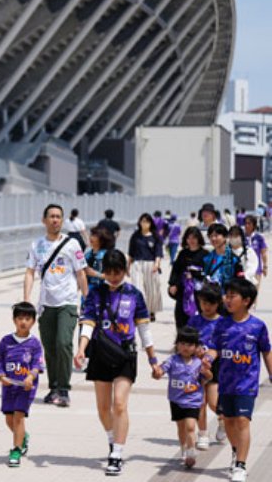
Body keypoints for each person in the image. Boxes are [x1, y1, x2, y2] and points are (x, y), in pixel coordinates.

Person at [74, 250, 161, 476]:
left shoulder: (134, 294)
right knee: (103, 408)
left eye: (118, 272)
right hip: (102, 354)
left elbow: (143, 329)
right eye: (109, 272)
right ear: (104, 272)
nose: (113, 276)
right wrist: (82, 348)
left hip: (125, 355)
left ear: (125, 270)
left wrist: (153, 359)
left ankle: (117, 454)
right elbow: (88, 322)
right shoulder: (95, 293)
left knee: (119, 404)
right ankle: (113, 439)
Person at [203, 278, 272, 482]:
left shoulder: (257, 326)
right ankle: (236, 450)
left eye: (233, 296)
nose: (227, 299)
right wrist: (208, 358)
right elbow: (214, 347)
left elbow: (267, 352)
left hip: (247, 384)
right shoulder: (222, 324)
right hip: (226, 383)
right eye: (227, 295)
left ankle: (240, 465)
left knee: (242, 421)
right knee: (230, 422)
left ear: (246, 300)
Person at [23, 204, 88, 408]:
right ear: (44, 220)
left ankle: (64, 389)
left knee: (63, 343)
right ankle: (53, 388)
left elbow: (81, 273)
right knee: (49, 347)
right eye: (51, 216)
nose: (55, 220)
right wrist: (26, 300)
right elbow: (29, 273)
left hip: (67, 302)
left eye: (58, 217)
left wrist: (88, 300)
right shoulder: (36, 245)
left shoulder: (73, 245)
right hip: (46, 304)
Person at [152, 326, 211, 470]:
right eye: (182, 343)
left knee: (190, 426)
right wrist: (157, 372)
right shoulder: (172, 360)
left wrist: (207, 371)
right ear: (177, 344)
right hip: (176, 400)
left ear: (196, 347)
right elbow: (160, 371)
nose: (185, 347)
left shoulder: (198, 363)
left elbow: (208, 378)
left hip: (193, 401)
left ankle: (191, 452)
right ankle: (184, 448)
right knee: (181, 428)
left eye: (190, 344)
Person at [0, 301, 44, 467]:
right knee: (9, 419)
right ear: (14, 320)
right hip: (9, 386)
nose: (23, 321)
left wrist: (31, 376)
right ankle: (23, 437)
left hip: (26, 387)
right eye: (20, 318)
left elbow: (38, 364)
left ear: (33, 321)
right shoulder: (5, 341)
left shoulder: (35, 343)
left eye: (27, 318)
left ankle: (16, 449)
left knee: (18, 417)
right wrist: (1, 376)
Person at [187, 283, 224, 450]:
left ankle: (223, 420)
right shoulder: (194, 321)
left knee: (214, 402)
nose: (206, 307)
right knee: (200, 402)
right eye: (203, 303)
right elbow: (185, 341)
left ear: (218, 304)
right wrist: (195, 351)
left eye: (210, 303)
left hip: (217, 367)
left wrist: (211, 353)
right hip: (196, 367)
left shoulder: (224, 323)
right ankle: (202, 434)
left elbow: (226, 346)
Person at [168, 227, 208, 330]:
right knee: (180, 316)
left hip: (198, 292)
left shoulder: (205, 254)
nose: (191, 241)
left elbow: (207, 273)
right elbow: (176, 270)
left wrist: (195, 275)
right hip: (183, 291)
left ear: (199, 238)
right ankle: (181, 341)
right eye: (189, 238)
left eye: (194, 238)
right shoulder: (182, 254)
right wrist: (173, 284)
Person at [127, 213, 164, 321]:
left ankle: (151, 310)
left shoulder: (155, 236)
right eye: (142, 221)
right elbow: (131, 252)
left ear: (150, 223)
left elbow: (158, 252)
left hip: (151, 264)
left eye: (147, 221)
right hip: (137, 263)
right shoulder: (135, 236)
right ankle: (139, 311)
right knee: (137, 288)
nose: (144, 223)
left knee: (152, 290)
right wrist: (127, 266)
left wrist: (157, 264)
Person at [204, 224, 241, 290]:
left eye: (216, 235)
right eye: (211, 236)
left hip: (226, 297)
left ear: (225, 237)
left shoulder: (234, 259)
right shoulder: (207, 258)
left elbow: (239, 283)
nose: (213, 238)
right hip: (210, 296)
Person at [84, 227, 114, 305]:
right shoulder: (87, 255)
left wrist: (95, 274)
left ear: (102, 240)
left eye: (95, 236)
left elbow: (112, 275)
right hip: (87, 290)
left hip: (102, 290)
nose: (91, 238)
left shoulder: (107, 255)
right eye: (91, 235)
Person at [244, 215, 267, 287]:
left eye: (249, 223)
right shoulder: (241, 237)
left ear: (254, 225)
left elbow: (263, 253)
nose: (247, 225)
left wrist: (265, 267)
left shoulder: (259, 237)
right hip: (244, 270)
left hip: (257, 270)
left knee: (254, 294)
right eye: (245, 223)